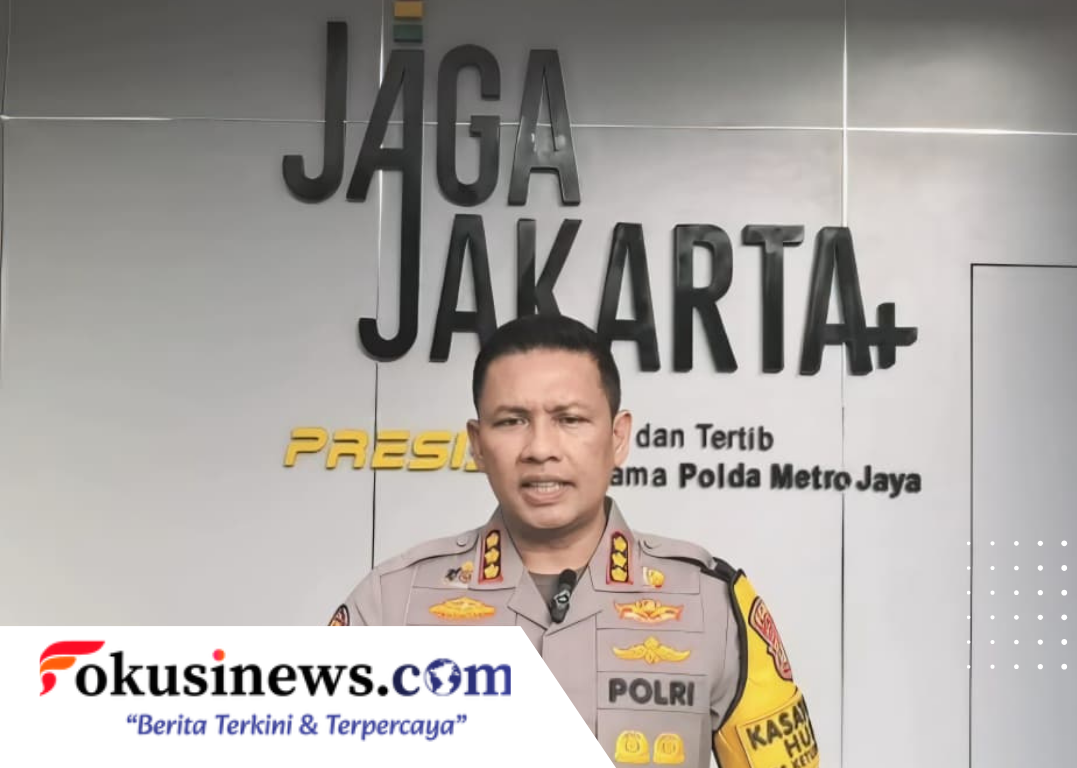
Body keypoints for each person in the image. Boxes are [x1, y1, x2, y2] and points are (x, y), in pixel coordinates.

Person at [329, 314, 819, 768]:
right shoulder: (391, 602)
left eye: (570, 419)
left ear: (618, 437)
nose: (541, 449)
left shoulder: (713, 604)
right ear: (477, 444)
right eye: (511, 421)